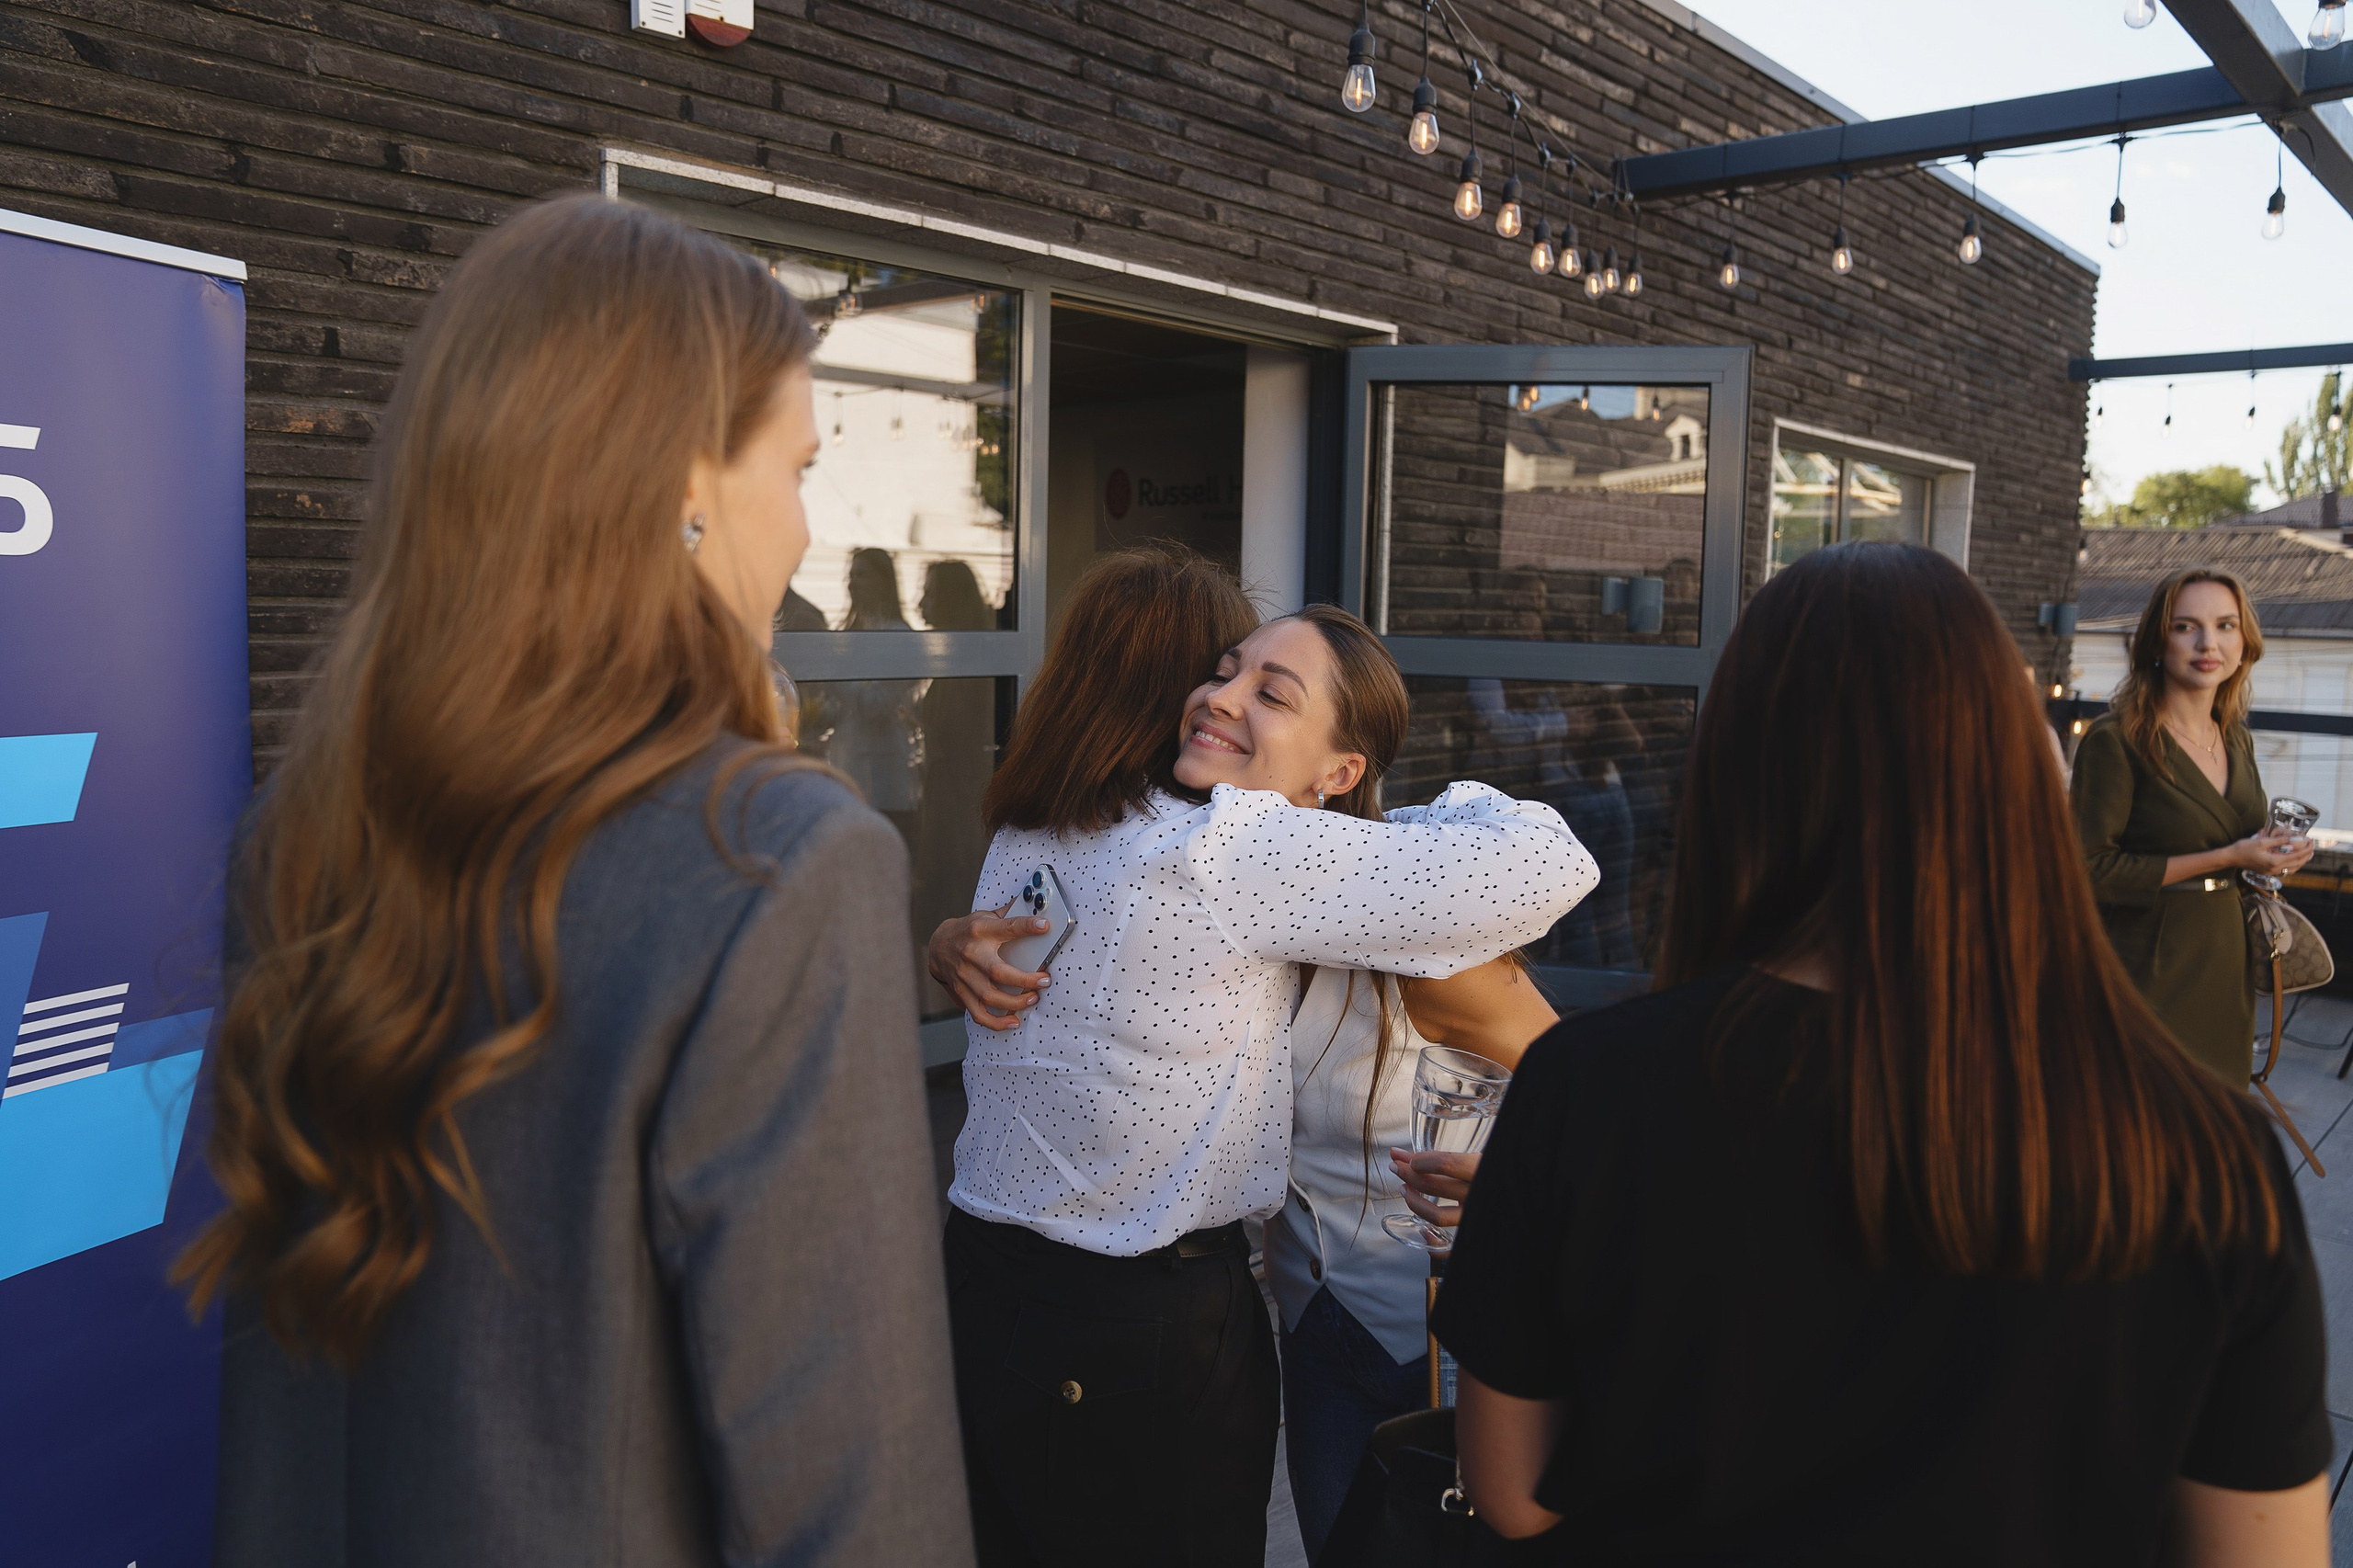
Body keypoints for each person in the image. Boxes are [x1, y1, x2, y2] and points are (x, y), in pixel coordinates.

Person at [176, 195, 973, 1567]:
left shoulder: (304, 836)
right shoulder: (780, 863)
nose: (800, 533)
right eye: (796, 467)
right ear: (678, 481)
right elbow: (856, 1508)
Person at [1435, 542, 2329, 1566]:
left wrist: (1543, 1232)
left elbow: (1511, 1495)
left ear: (1734, 771)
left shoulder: (1591, 1089)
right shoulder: (2206, 1150)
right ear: (2020, 774)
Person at [927, 557, 1597, 1568]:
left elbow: (1557, 1074)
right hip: (1148, 1326)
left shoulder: (1038, 828)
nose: (1220, 696)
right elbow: (1545, 861)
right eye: (1220, 668)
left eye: (1265, 688)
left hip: (1005, 1292)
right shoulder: (1219, 850)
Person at [2073, 568, 2313, 1083]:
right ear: (2157, 642)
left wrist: (2273, 858)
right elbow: (2086, 870)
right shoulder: (2116, 741)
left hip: (2225, 960)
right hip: (2148, 964)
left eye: (2226, 625)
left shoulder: (2234, 737)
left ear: (2244, 642)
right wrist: (2229, 857)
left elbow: (2242, 845)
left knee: (2217, 1128)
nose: (2209, 643)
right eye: (2186, 627)